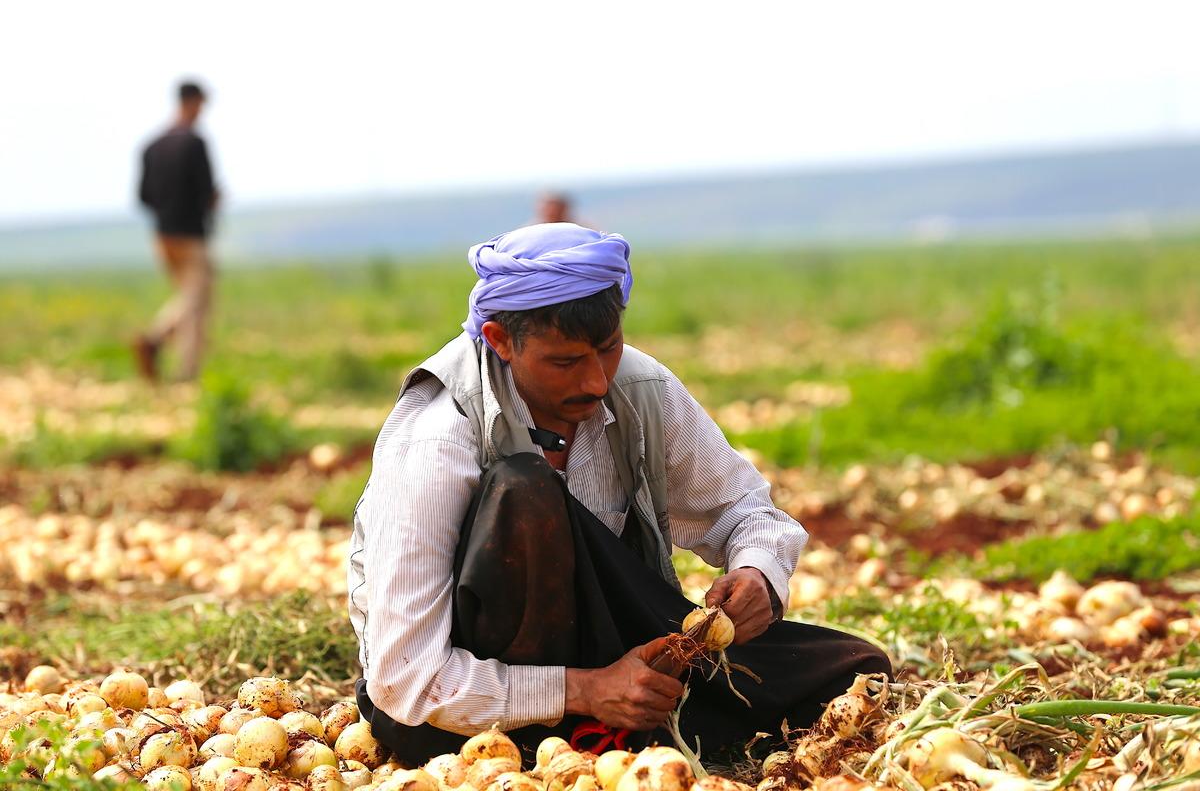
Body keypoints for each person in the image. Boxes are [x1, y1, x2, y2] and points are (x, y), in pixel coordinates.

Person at [348, 223, 889, 765]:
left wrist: (757, 574)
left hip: (626, 660)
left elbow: (746, 510)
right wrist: (588, 690)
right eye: (564, 362)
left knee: (855, 671)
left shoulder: (640, 389)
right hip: (471, 704)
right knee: (524, 490)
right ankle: (581, 736)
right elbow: (406, 681)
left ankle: (622, 731)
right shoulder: (436, 436)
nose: (594, 382)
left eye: (607, 350)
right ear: (500, 340)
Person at [133, 80, 219, 382]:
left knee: (189, 296)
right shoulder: (195, 143)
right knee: (196, 304)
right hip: (191, 234)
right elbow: (207, 191)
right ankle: (185, 375)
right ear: (194, 102)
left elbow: (143, 196)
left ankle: (154, 343)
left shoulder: (152, 146)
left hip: (163, 235)